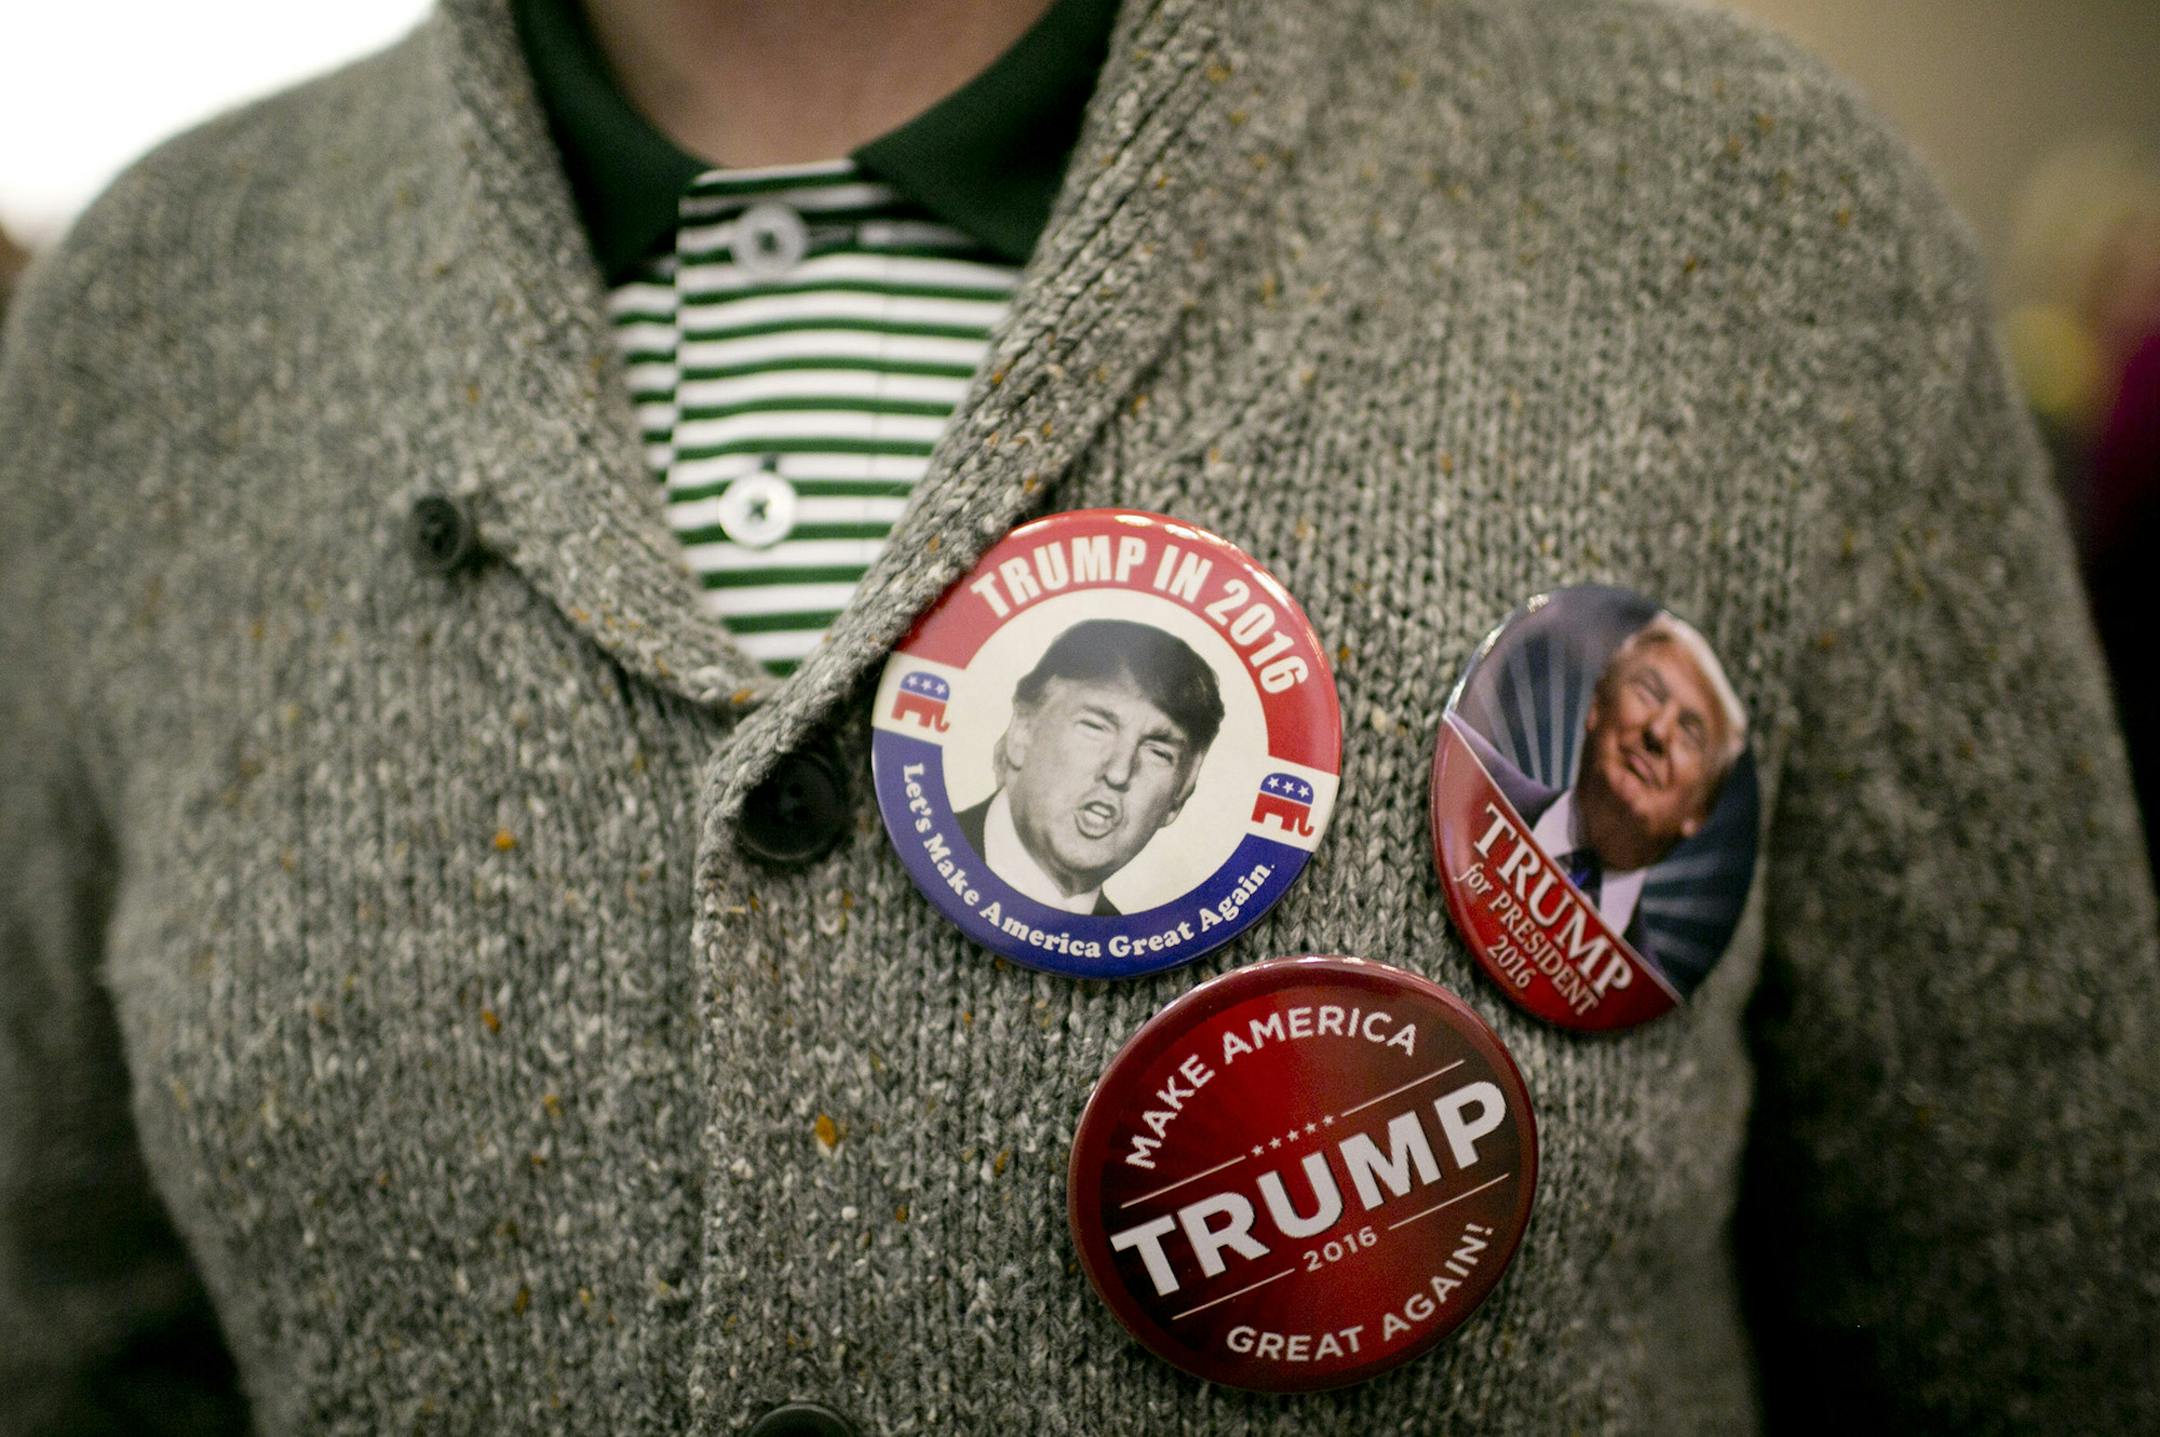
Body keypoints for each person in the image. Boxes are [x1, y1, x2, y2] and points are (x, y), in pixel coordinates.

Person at [3, 0, 2155, 1434]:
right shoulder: (161, 304)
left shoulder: (1743, 224)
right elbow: (71, 1327)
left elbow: (2046, 1318)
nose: (1119, 776)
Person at [1463, 612, 1748, 974]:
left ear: (1700, 811)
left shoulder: (1644, 989)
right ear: (1597, 706)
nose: (1658, 731)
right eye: (1647, 693)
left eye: (1690, 734)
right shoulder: (1467, 781)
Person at [954, 618, 1223, 914]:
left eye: (1158, 752)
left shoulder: (1127, 949)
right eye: (1095, 727)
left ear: (1179, 796)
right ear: (1022, 732)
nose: (1119, 773)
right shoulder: (937, 848)